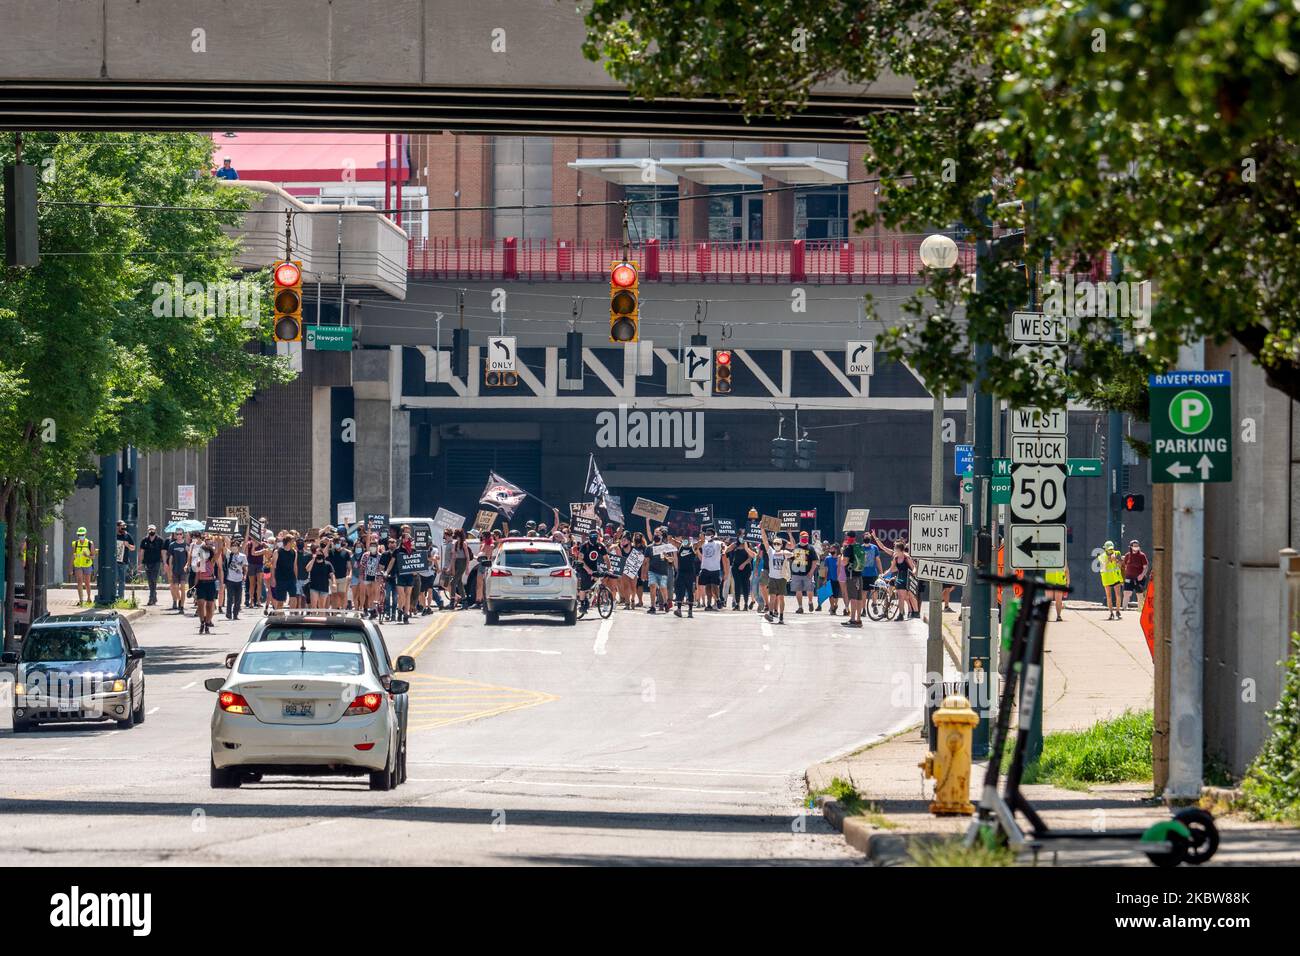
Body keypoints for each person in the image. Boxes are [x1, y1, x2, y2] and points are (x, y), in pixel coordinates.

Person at [760, 528, 792, 624]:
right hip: (772, 577)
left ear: (781, 545)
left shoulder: (784, 553)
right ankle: (770, 614)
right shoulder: (771, 552)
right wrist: (762, 529)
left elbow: (793, 551)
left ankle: (781, 616)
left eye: (778, 544)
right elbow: (765, 540)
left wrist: (790, 553)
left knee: (781, 598)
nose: (776, 545)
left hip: (782, 578)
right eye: (775, 544)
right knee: (772, 597)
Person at [192, 534, 220, 633]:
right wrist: (193, 587)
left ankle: (207, 623)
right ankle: (202, 622)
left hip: (211, 583)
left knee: (209, 605)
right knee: (200, 604)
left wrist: (218, 540)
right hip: (201, 584)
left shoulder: (211, 561)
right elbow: (197, 576)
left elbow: (219, 552)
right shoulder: (200, 563)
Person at [789, 531, 818, 613]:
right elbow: (791, 559)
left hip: (807, 572)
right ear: (800, 538)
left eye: (806, 537)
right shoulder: (796, 547)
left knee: (809, 589)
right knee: (798, 590)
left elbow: (815, 561)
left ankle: (810, 602)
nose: (805, 539)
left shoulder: (810, 548)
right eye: (803, 537)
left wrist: (812, 571)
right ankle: (800, 607)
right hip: (796, 572)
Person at [698, 528, 727, 610]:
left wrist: (723, 551)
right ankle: (709, 604)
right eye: (706, 534)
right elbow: (696, 544)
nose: (707, 535)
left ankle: (717, 599)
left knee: (715, 586)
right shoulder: (704, 543)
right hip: (705, 568)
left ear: (713, 535)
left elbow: (724, 546)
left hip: (715, 569)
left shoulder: (718, 543)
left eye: (708, 534)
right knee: (707, 586)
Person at [137, 524, 165, 606]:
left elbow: (162, 553)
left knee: (154, 579)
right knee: (149, 580)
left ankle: (151, 598)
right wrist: (140, 563)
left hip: (156, 562)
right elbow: (141, 552)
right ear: (148, 530)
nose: (151, 531)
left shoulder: (160, 540)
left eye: (152, 530)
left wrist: (164, 563)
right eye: (150, 530)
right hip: (147, 562)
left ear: (155, 530)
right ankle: (154, 596)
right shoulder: (144, 540)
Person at [673, 534, 700, 618]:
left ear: (690, 539)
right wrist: (672, 530)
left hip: (690, 573)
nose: (685, 539)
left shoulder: (694, 546)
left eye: (686, 538)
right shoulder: (679, 545)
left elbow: (702, 541)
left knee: (690, 591)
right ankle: (679, 609)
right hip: (681, 572)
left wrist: (699, 532)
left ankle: (690, 611)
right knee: (680, 591)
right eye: (683, 538)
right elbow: (670, 539)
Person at [306, 538, 335, 610]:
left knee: (322, 606)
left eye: (320, 554)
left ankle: (321, 619)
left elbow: (332, 575)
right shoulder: (313, 563)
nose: (318, 555)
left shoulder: (327, 564)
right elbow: (307, 569)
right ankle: (313, 619)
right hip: (314, 587)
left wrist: (334, 583)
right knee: (313, 606)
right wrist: (313, 559)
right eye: (317, 554)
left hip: (324, 587)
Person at [70, 526, 97, 605]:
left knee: (87, 582)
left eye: (82, 534)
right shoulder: (75, 543)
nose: (80, 536)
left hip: (87, 565)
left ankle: (88, 598)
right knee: (79, 582)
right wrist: (70, 568)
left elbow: (93, 556)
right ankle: (81, 600)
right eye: (79, 534)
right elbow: (73, 555)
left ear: (85, 534)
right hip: (78, 565)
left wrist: (87, 556)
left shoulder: (89, 543)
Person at [223, 538, 248, 619]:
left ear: (238, 547)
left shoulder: (243, 556)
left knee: (238, 599)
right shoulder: (229, 554)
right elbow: (223, 547)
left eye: (235, 546)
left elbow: (245, 567)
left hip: (239, 580)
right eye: (232, 546)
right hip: (230, 579)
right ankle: (228, 613)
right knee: (230, 598)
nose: (234, 547)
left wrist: (245, 575)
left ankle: (235, 614)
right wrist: (221, 536)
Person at [1121, 539, 1149, 610]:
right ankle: (1124, 609)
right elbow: (1123, 566)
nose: (1136, 547)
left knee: (1139, 594)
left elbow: (1145, 567)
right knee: (1126, 593)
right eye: (1134, 546)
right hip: (1128, 578)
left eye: (1137, 546)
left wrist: (1142, 575)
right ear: (1131, 547)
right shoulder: (1127, 555)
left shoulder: (1142, 555)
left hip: (1139, 578)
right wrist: (1123, 577)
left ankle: (1140, 609)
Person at [1099, 540, 1124, 619]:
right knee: (1109, 596)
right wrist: (1109, 559)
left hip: (1116, 577)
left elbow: (1120, 565)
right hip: (1107, 578)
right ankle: (1111, 613)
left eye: (1111, 549)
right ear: (1105, 549)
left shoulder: (1117, 553)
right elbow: (1104, 566)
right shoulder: (1102, 556)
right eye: (1109, 549)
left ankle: (1117, 611)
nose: (1110, 550)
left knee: (1118, 595)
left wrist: (1116, 560)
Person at [727, 537, 754, 610]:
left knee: (745, 585)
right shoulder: (735, 544)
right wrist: (731, 544)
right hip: (735, 567)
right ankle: (737, 604)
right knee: (737, 586)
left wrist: (744, 564)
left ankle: (745, 604)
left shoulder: (748, 544)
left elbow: (750, 557)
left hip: (746, 568)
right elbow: (726, 550)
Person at [166, 530, 189, 613]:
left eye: (180, 534)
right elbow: (170, 558)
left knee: (182, 588)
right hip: (175, 569)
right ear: (175, 535)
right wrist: (170, 570)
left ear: (183, 535)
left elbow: (189, 557)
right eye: (177, 534)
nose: (179, 535)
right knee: (175, 587)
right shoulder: (172, 545)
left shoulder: (186, 545)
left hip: (183, 570)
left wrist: (187, 565)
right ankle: (179, 600)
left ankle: (182, 606)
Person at [114, 520, 135, 602]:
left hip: (123, 561)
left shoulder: (127, 535)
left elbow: (133, 548)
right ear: (117, 527)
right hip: (114, 562)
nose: (123, 527)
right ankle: (114, 596)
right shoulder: (113, 535)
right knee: (114, 580)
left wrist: (127, 545)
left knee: (122, 581)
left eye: (124, 526)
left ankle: (120, 598)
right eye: (121, 526)